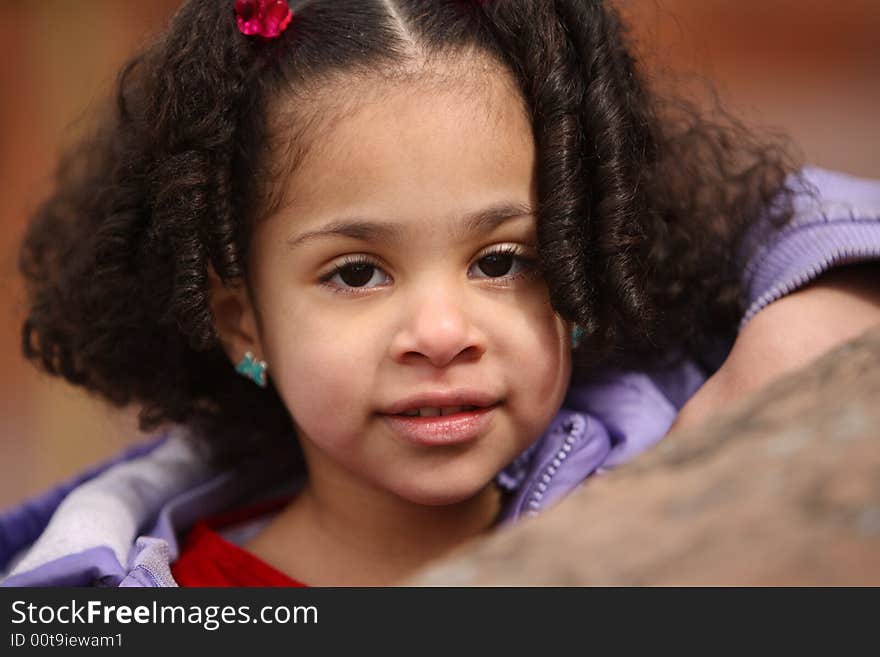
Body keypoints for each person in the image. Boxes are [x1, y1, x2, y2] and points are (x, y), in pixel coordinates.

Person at [2, 0, 879, 587]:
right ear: (244, 324)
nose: (442, 331)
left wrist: (800, 320)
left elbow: (831, 214)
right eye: (356, 272)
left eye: (503, 260)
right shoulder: (156, 595)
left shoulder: (642, 464)